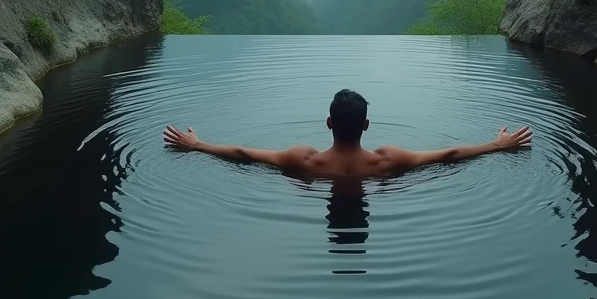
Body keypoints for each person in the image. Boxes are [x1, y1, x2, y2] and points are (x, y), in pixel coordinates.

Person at [163, 88, 532, 178]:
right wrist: (496, 146)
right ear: (366, 125)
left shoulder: (303, 160)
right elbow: (449, 155)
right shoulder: (388, 161)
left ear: (328, 123)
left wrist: (198, 145)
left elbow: (244, 154)